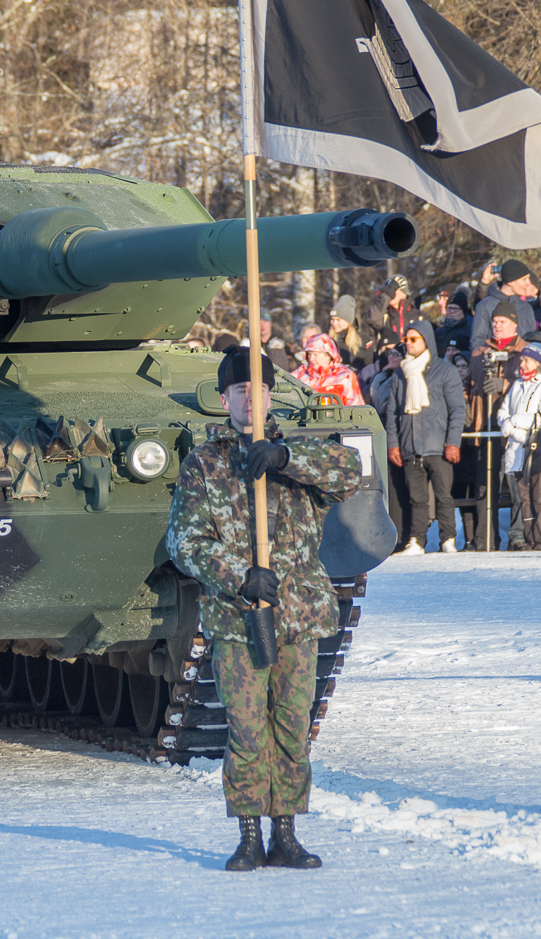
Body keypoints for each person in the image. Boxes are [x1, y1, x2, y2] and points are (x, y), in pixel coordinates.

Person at [166, 346, 366, 871]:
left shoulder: (298, 452)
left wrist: (285, 459)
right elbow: (184, 543)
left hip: (299, 618)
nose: (249, 400)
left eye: (258, 390)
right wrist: (239, 575)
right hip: (239, 619)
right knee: (248, 729)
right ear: (225, 397)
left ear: (271, 393)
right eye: (238, 391)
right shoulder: (205, 463)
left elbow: (348, 471)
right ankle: (250, 834)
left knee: (291, 727)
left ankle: (287, 833)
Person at [382, 324, 466, 554]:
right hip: (410, 446)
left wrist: (453, 442)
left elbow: (457, 409)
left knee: (443, 496)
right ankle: (417, 540)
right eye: (405, 339)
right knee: (416, 499)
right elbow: (393, 413)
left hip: (438, 446)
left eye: (413, 339)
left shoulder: (444, 370)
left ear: (426, 340)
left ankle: (448, 538)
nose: (408, 343)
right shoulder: (401, 373)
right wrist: (393, 444)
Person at [499, 343, 541, 553]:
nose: (522, 362)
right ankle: (530, 539)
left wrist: (513, 423)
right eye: (521, 359)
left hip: (540, 452)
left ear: (539, 362)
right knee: (524, 499)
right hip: (518, 451)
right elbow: (502, 412)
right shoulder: (518, 384)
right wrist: (510, 426)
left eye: (526, 359)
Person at [470, 259, 539, 355]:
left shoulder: (526, 308)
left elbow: (531, 339)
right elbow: (477, 341)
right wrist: (490, 355)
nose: (528, 283)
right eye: (524, 279)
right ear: (511, 282)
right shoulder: (485, 305)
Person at [294, 331, 363, 407]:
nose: (311, 359)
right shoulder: (301, 372)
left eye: (315, 354)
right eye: (309, 354)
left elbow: (356, 407)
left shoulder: (344, 375)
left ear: (328, 355)